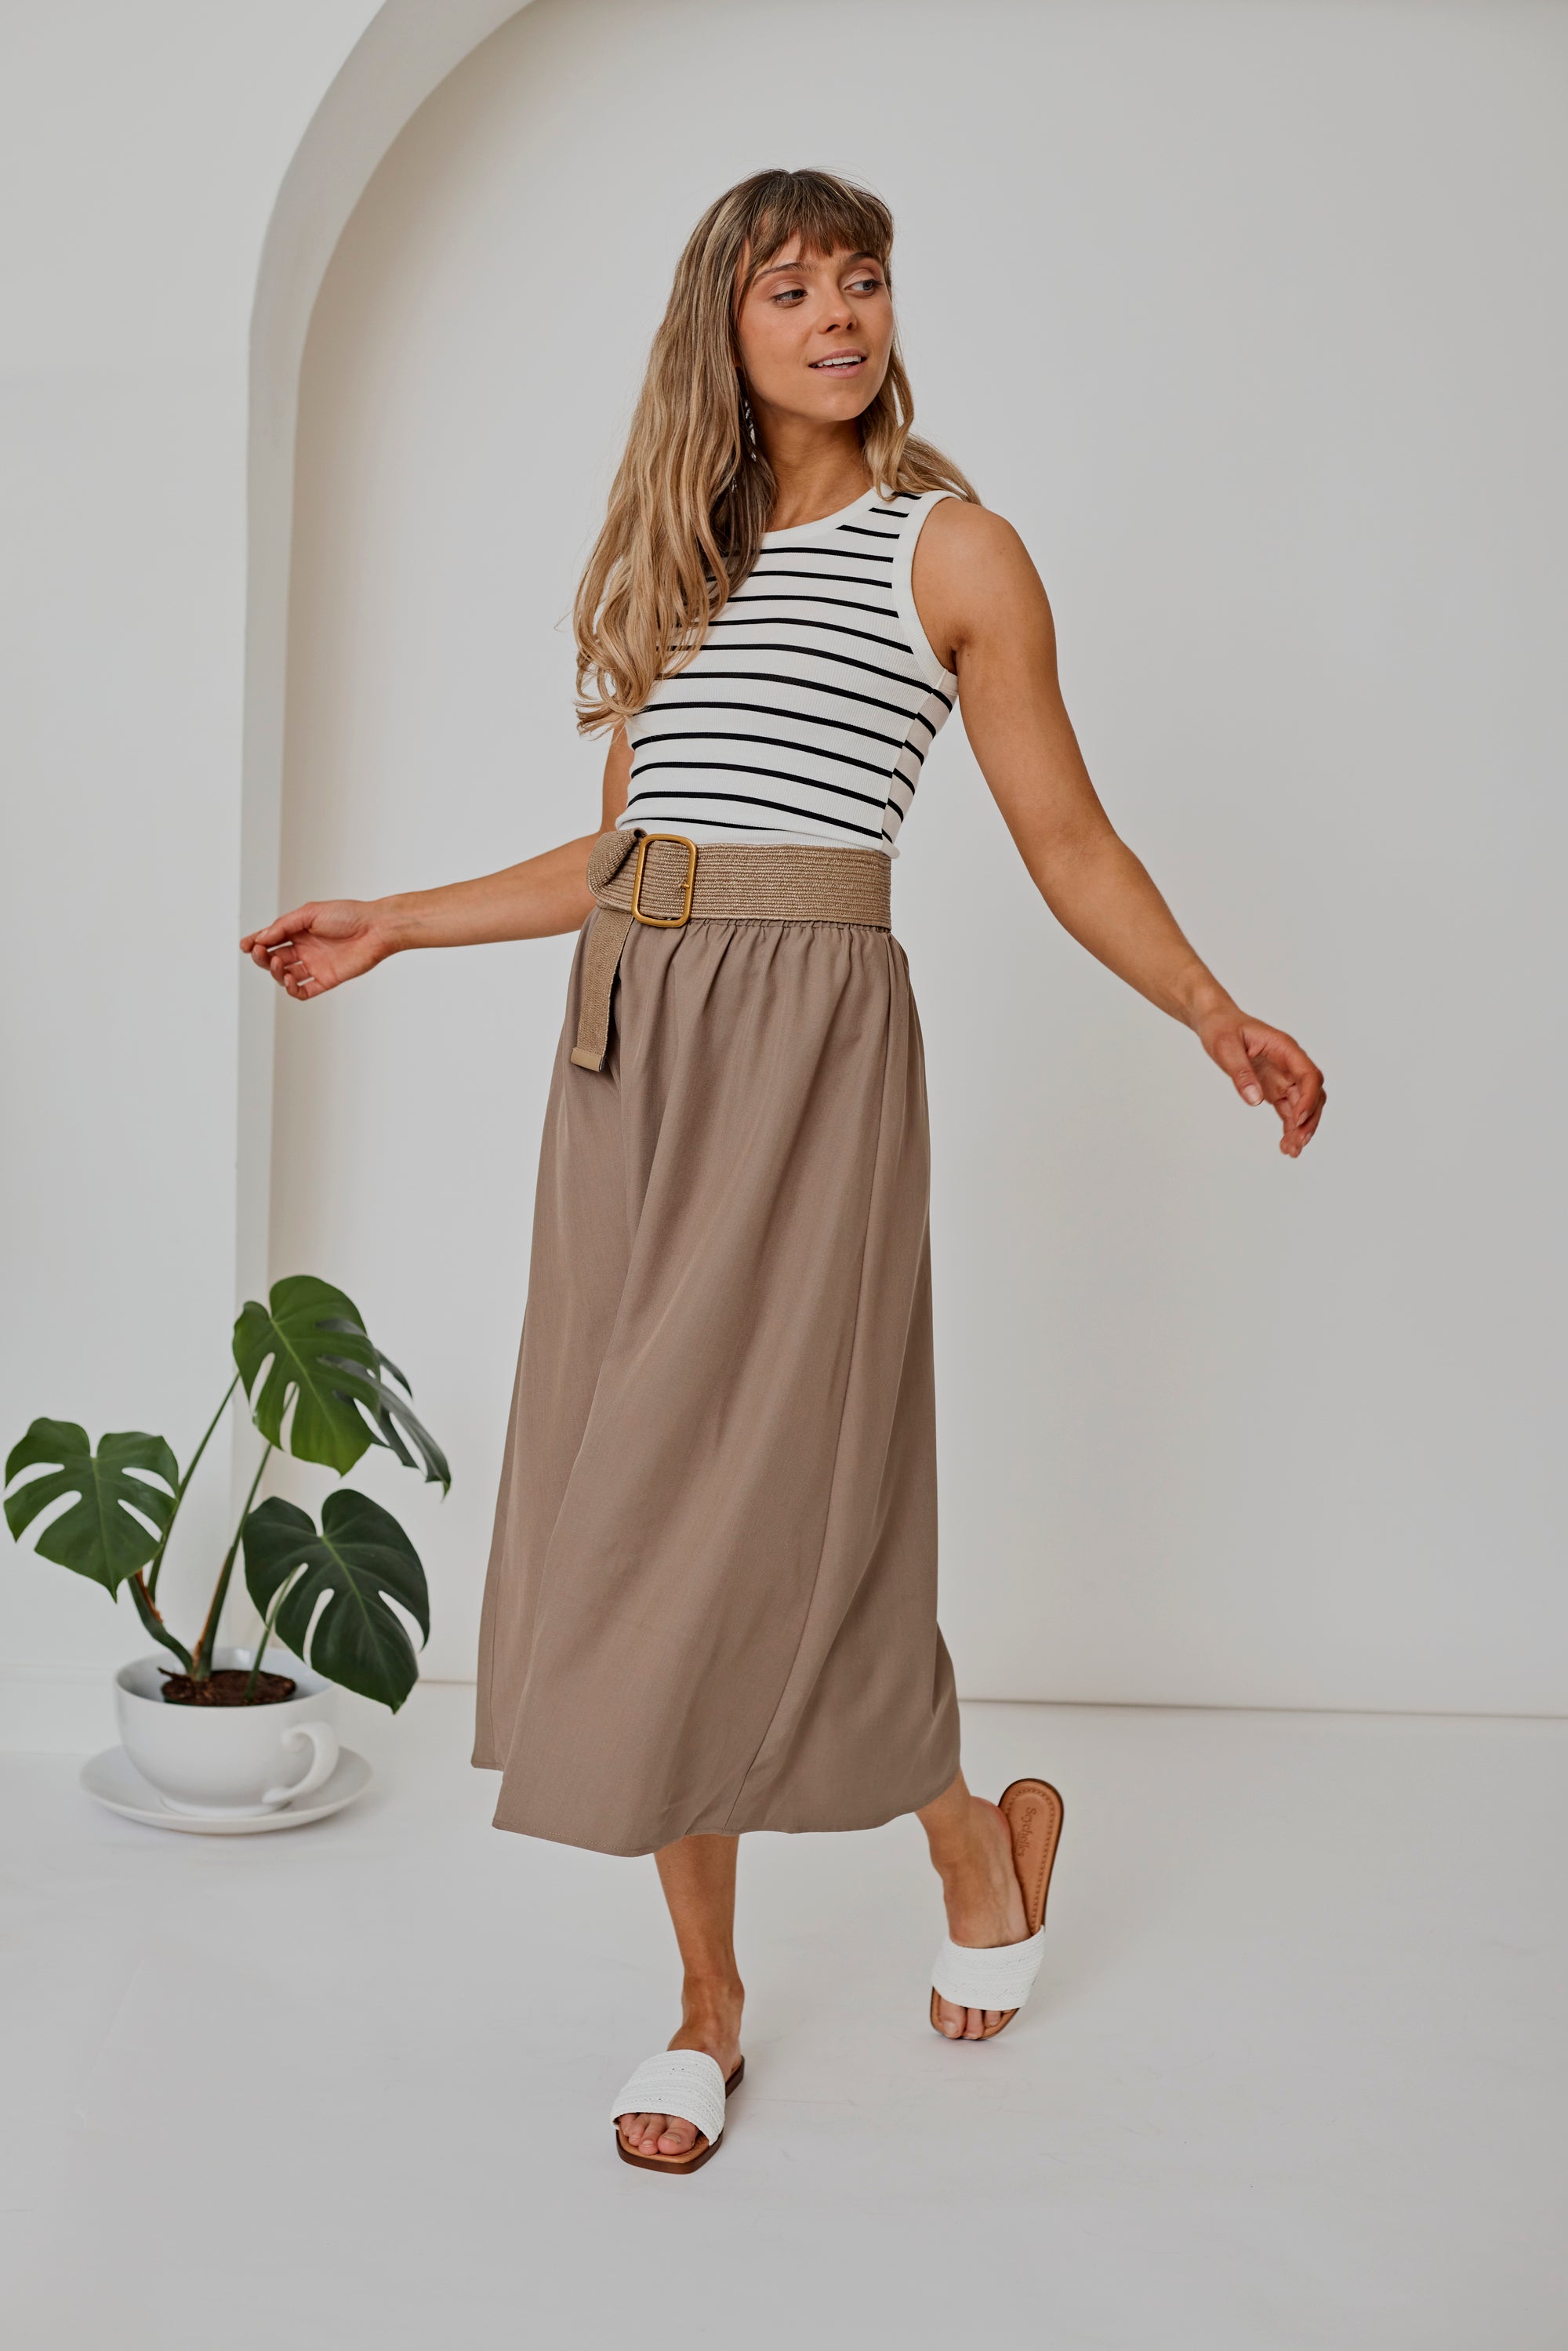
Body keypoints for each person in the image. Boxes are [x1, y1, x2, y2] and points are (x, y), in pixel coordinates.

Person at [241, 168, 1324, 2175]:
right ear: (722, 332)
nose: (838, 316)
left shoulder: (953, 548)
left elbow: (1066, 840)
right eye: (792, 288)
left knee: (775, 1499)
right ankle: (711, 2000)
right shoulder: (684, 565)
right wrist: (398, 917)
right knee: (640, 1489)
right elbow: (624, 853)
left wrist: (1209, 1007)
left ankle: (963, 1841)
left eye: (863, 281)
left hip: (812, 1045)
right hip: (630, 1049)